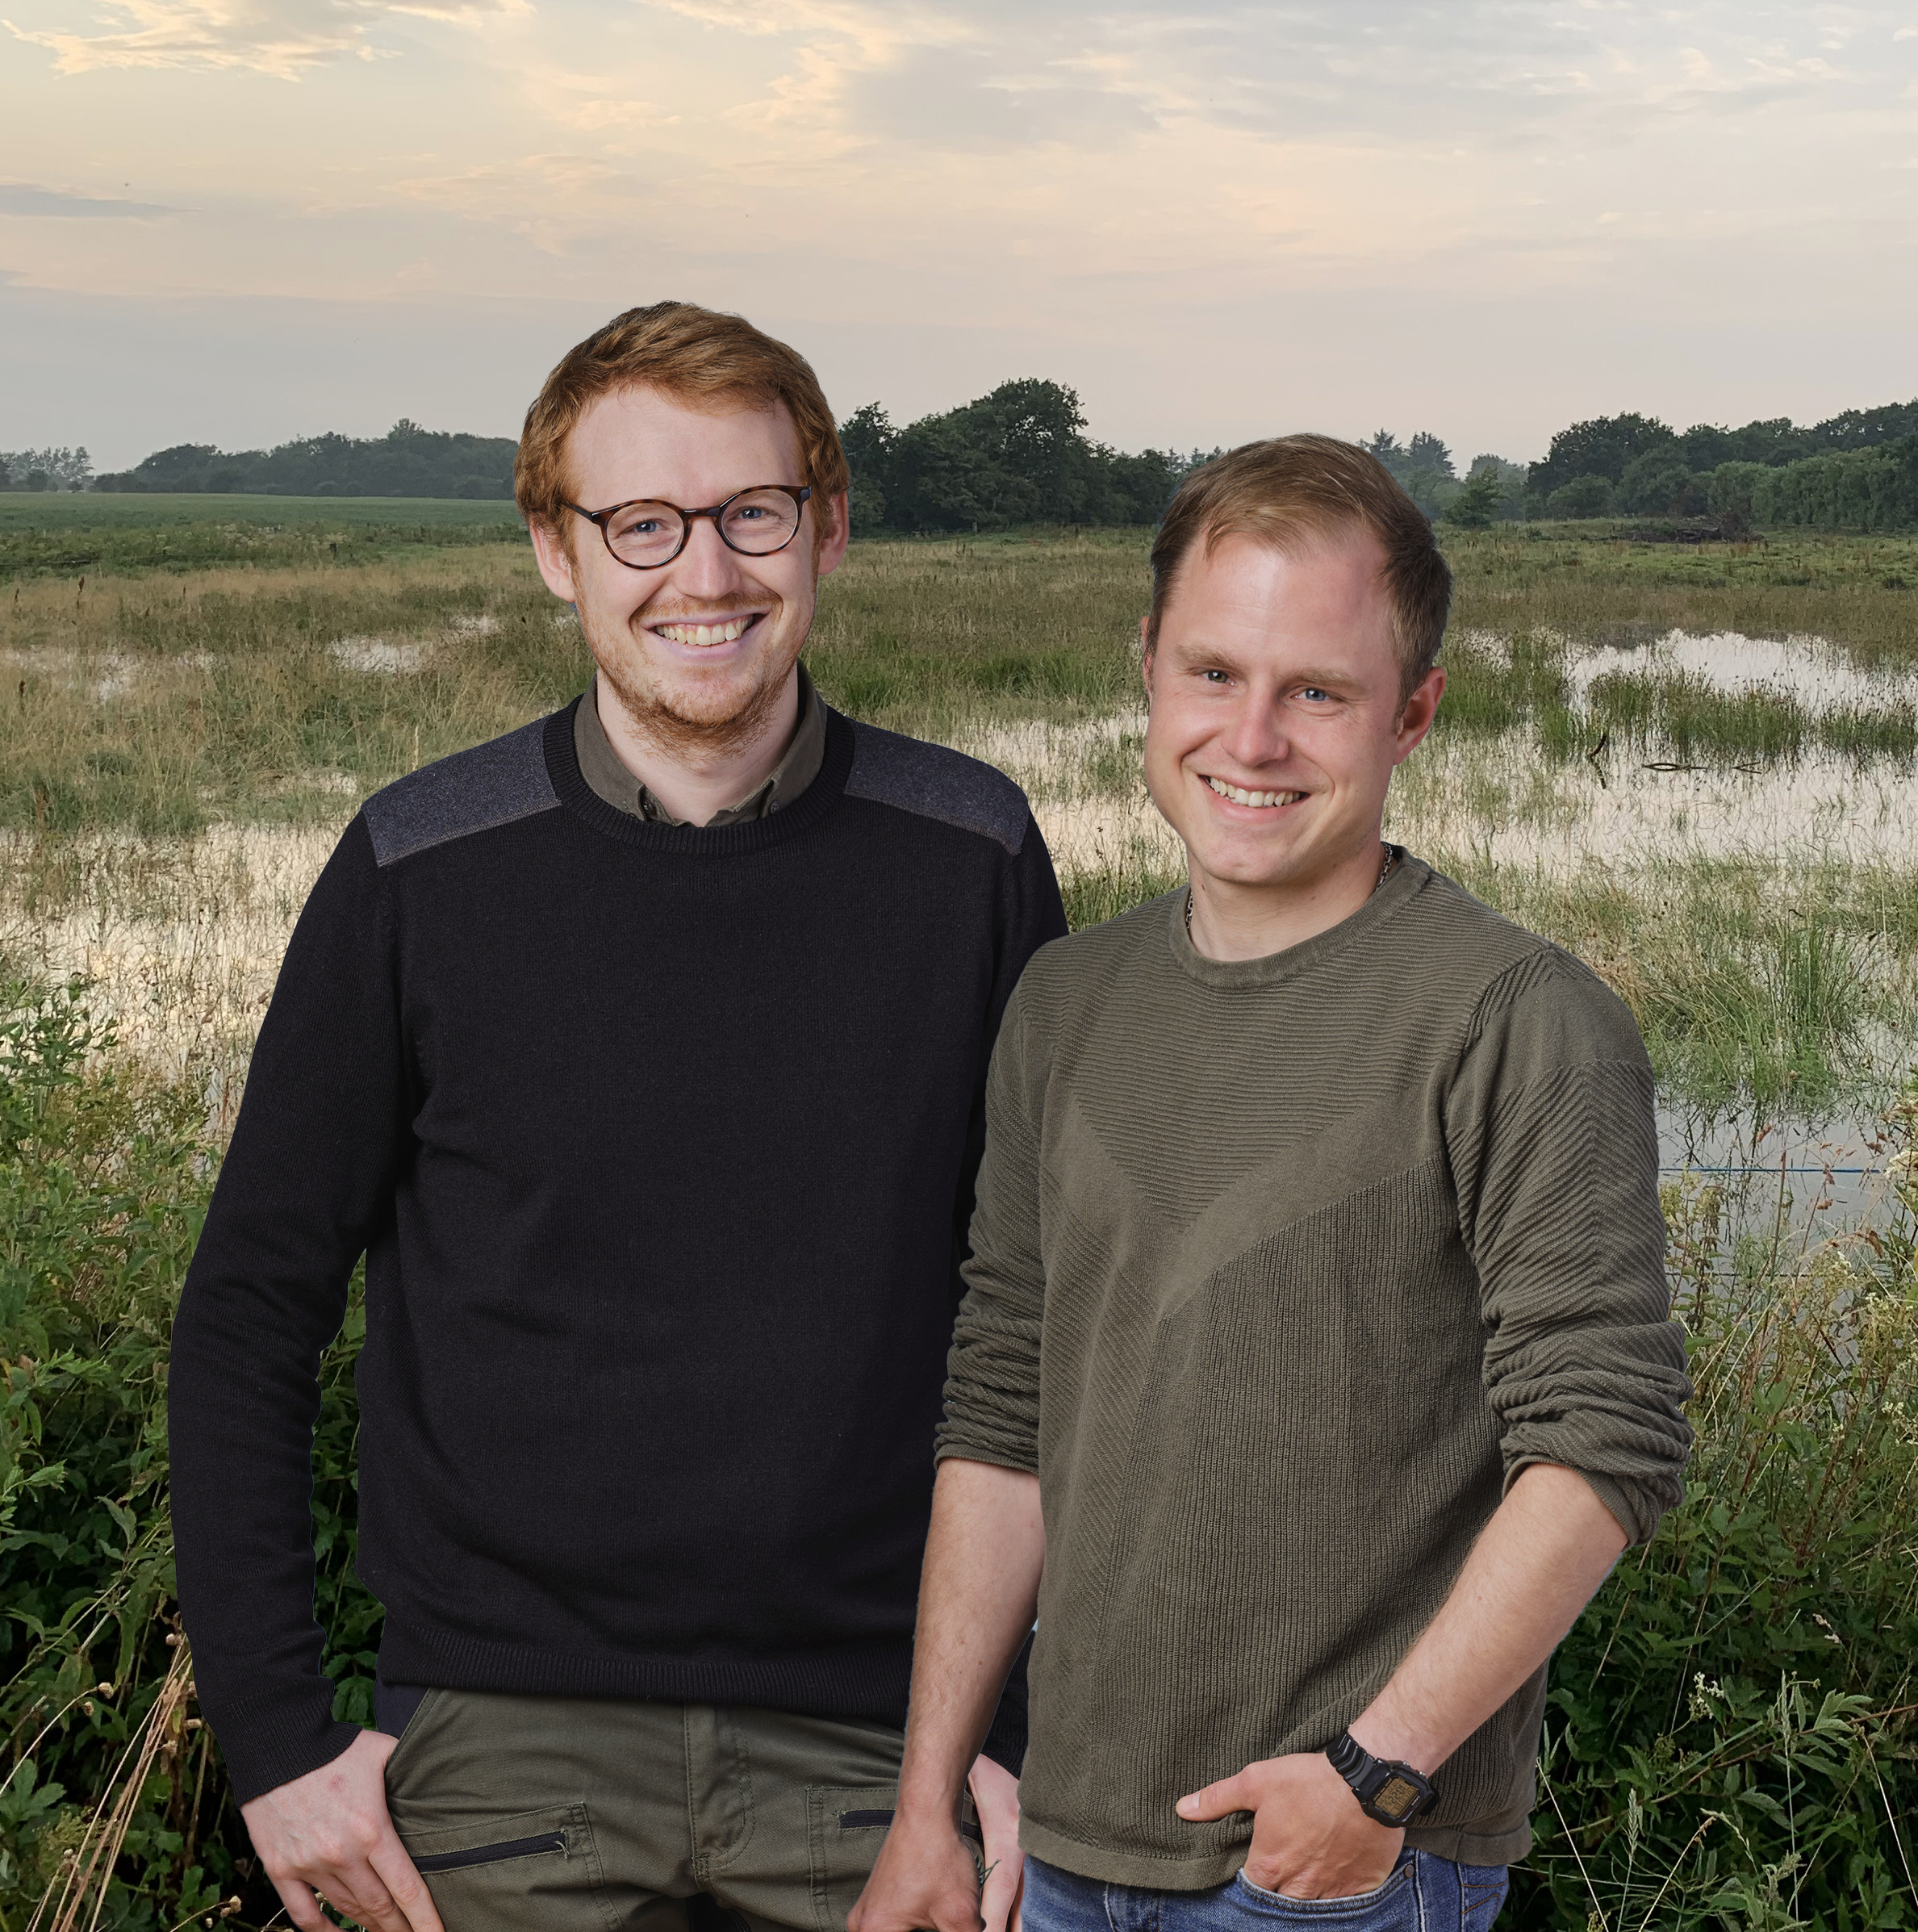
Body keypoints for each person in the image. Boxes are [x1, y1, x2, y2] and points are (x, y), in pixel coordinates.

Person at [168, 301, 1062, 1932]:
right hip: (504, 1758)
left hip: (882, 1746)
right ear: (554, 549)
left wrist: (1012, 1733)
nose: (703, 575)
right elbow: (248, 1313)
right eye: (641, 523)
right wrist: (278, 1742)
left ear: (828, 529)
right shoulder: (416, 870)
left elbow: (1052, 1325)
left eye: (751, 514)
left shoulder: (973, 859)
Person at [850, 435, 1694, 1932]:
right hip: (1058, 1851)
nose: (1253, 737)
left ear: (1413, 715)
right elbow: (1000, 1412)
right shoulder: (1064, 1001)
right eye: (1214, 673)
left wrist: (1374, 1777)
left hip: (1334, 1870)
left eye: (1318, 690)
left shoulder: (1519, 1021)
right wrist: (929, 1803)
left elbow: (1604, 1448)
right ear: (1152, 676)